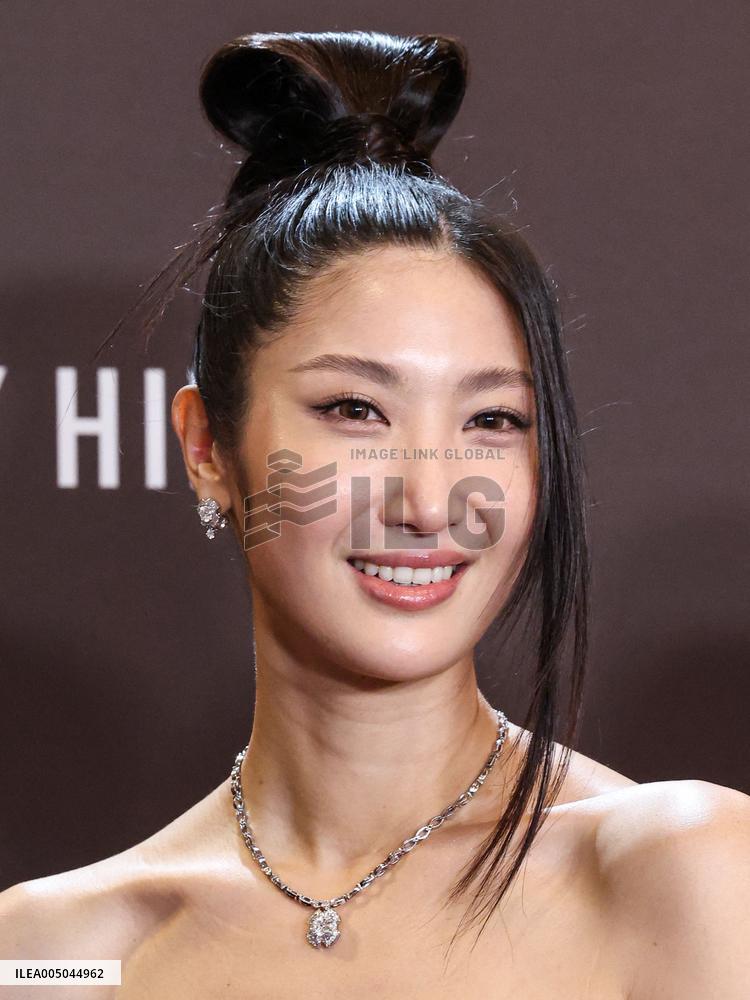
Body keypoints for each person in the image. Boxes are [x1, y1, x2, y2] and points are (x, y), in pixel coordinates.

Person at [1, 29, 748, 998]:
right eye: (355, 410)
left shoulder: (689, 874)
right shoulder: (54, 951)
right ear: (205, 448)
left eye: (492, 420)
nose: (431, 501)